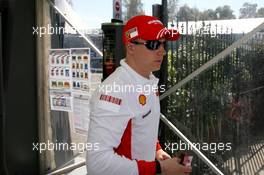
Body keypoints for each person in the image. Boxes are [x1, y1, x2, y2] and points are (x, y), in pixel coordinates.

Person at [86, 15, 192, 175]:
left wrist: (156, 151)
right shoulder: (115, 89)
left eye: (163, 44)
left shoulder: (147, 80)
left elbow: (141, 126)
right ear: (130, 47)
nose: (162, 51)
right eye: (153, 44)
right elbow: (97, 163)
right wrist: (160, 168)